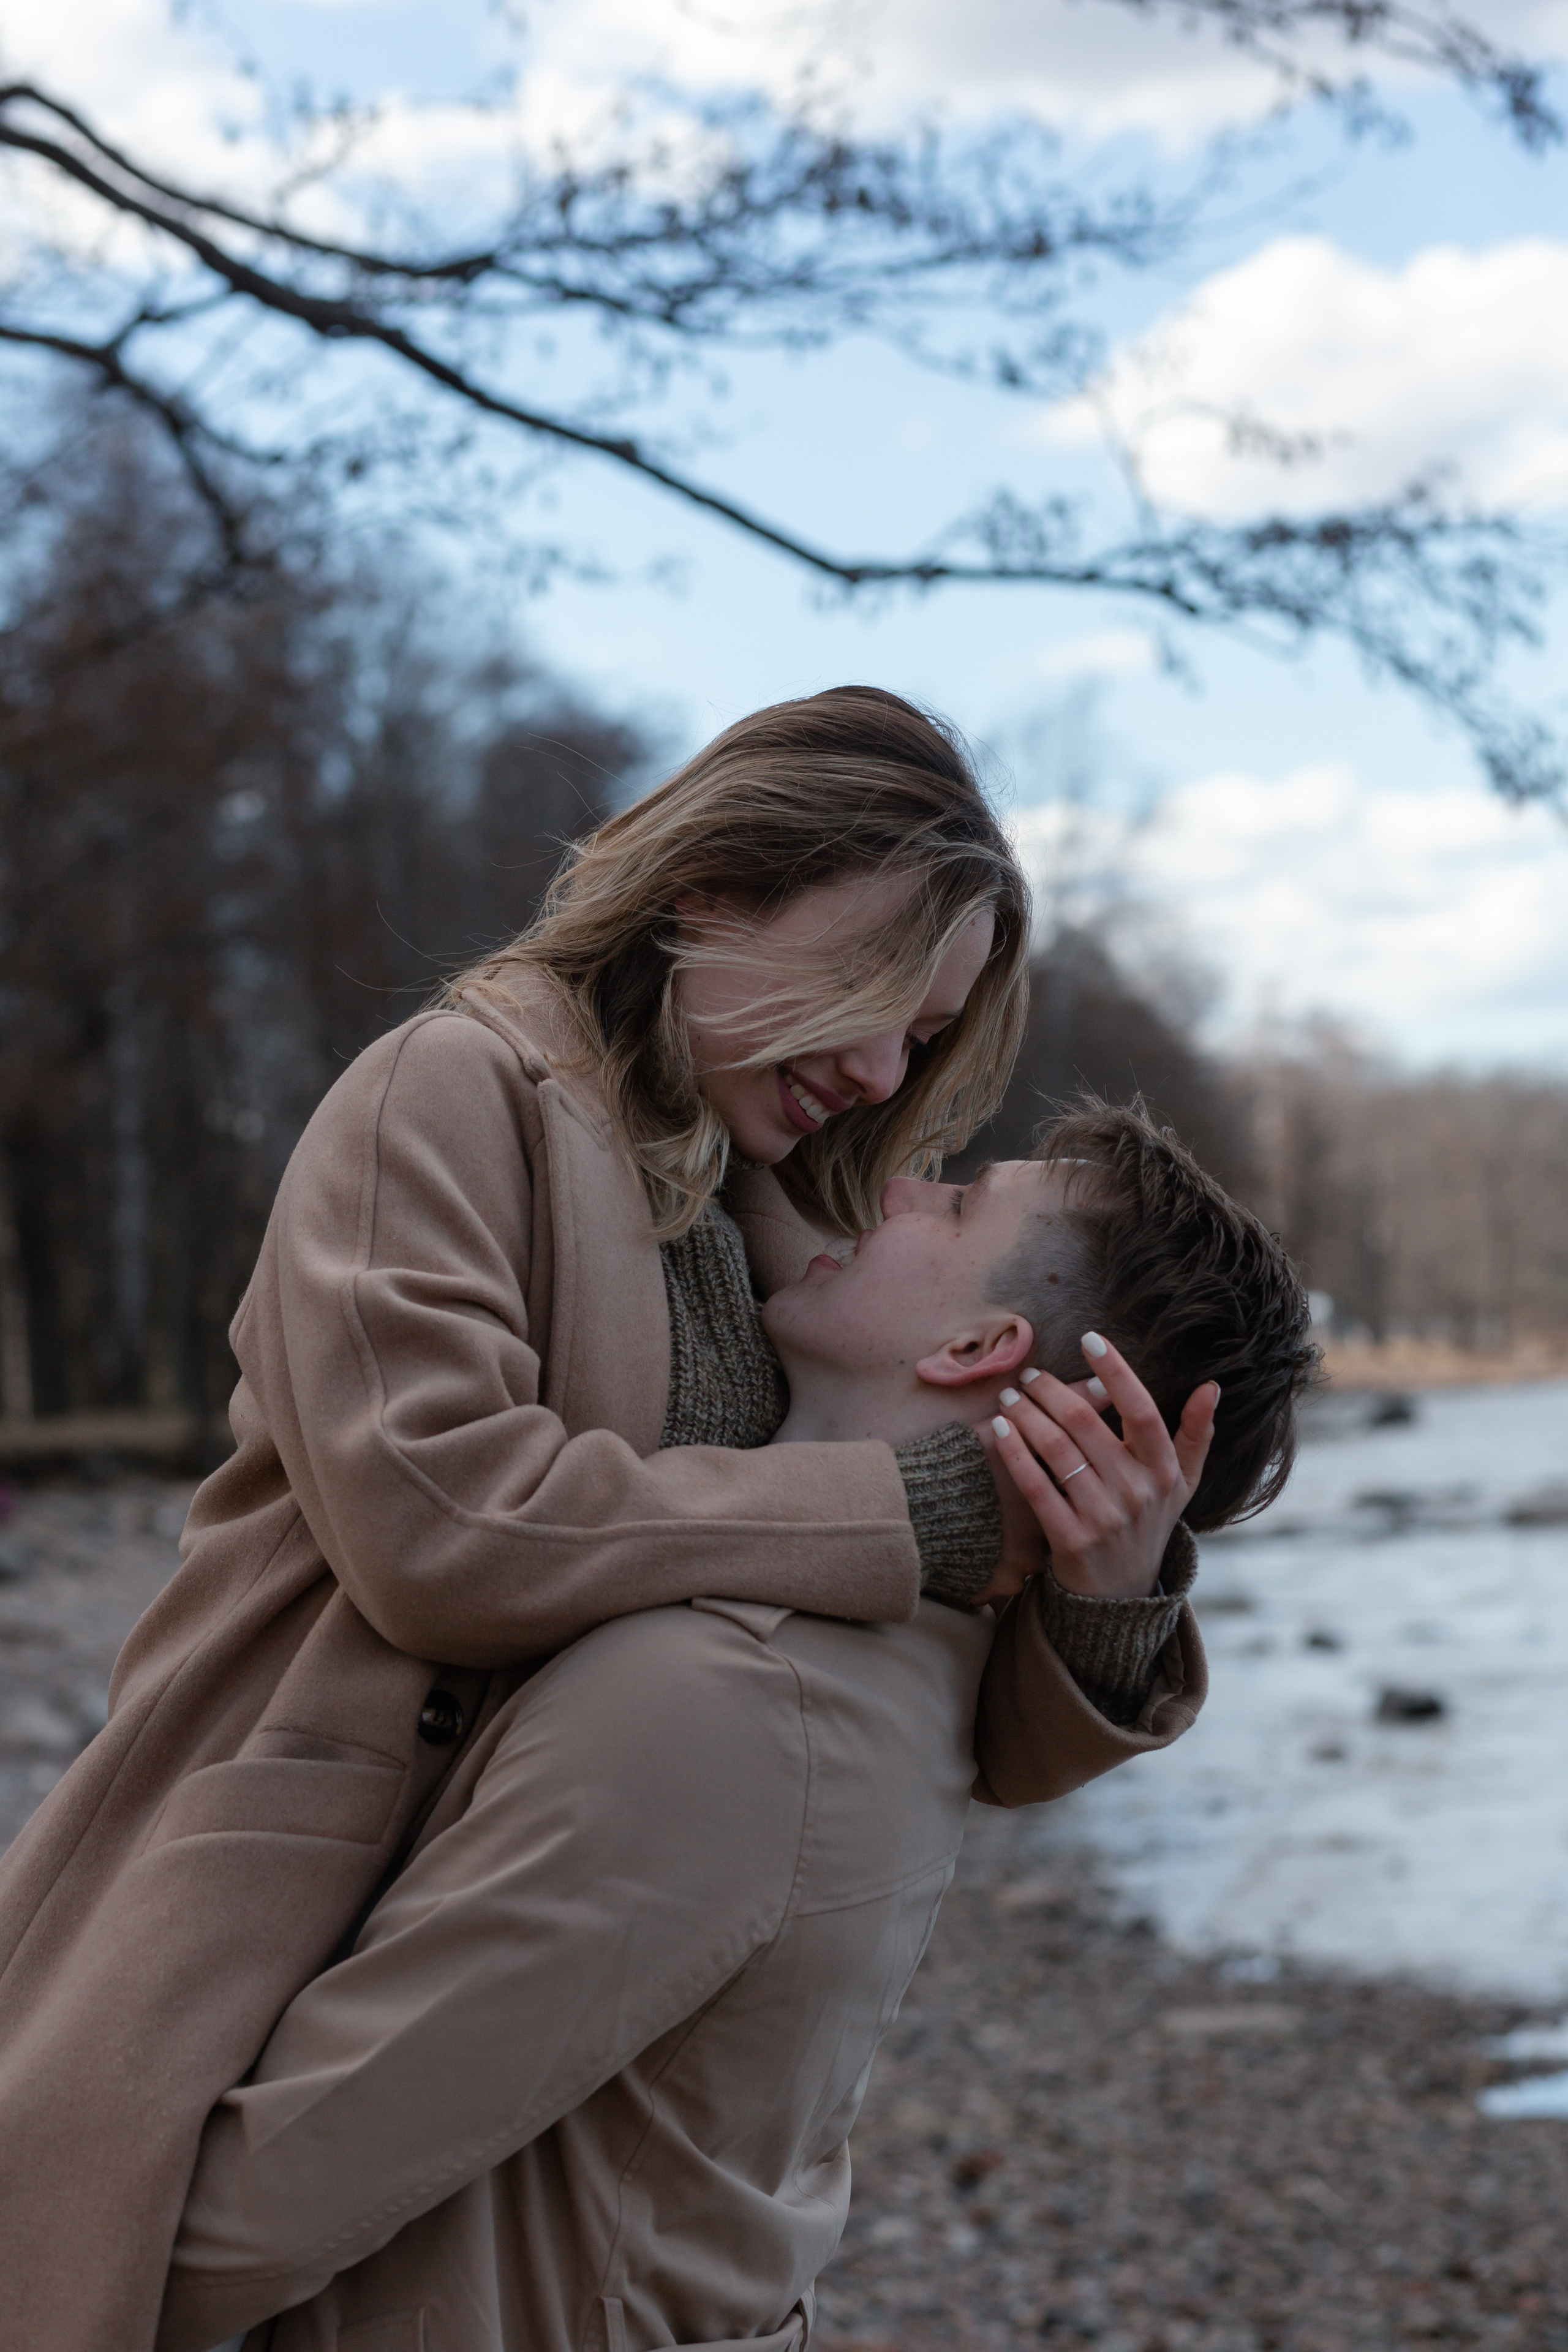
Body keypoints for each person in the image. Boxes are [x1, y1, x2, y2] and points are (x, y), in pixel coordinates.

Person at [0, 689, 1216, 2352]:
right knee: (108, 2266)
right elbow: (440, 1527)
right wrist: (903, 1502)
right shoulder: (446, 1094)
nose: (881, 1075)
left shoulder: (771, 1195)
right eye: (869, 998)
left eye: (922, 1040)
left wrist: (1102, 1585)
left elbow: (931, 1732)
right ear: (704, 892)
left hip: (505, 1923)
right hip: (276, 1896)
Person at [157, 1103, 1316, 2352]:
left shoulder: (723, 1703)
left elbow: (273, 2195)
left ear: (978, 1343)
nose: (894, 1195)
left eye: (959, 1203)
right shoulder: (915, 1652)